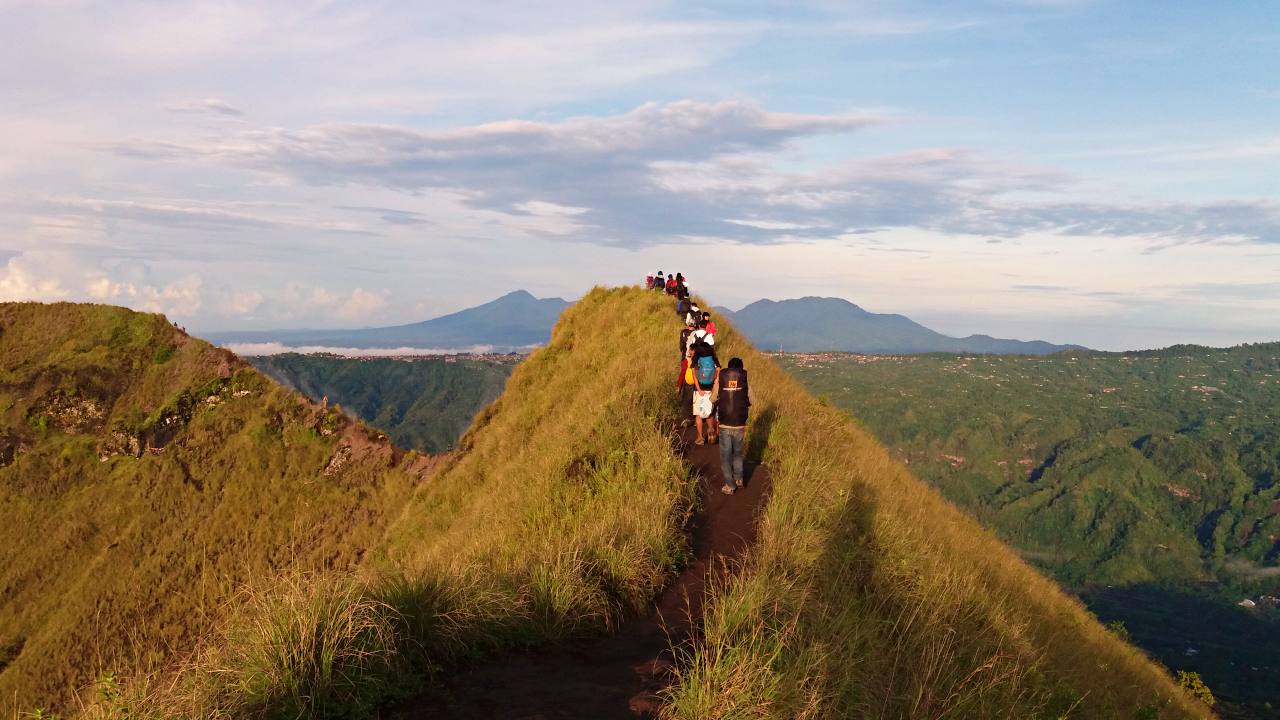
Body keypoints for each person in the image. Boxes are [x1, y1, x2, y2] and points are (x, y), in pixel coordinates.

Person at [713, 357, 753, 494]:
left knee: (725, 455)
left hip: (724, 424)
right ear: (741, 369)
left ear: (728, 368)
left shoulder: (721, 380)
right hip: (739, 423)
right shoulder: (744, 381)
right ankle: (739, 479)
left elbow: (713, 398)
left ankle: (730, 486)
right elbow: (752, 400)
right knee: (737, 453)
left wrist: (717, 385)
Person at [688, 338, 720, 445]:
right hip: (710, 390)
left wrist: (699, 389)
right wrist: (714, 385)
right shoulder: (714, 359)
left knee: (698, 414)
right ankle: (711, 430)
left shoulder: (696, 359)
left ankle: (700, 438)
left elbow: (694, 376)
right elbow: (718, 371)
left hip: (699, 390)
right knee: (710, 412)